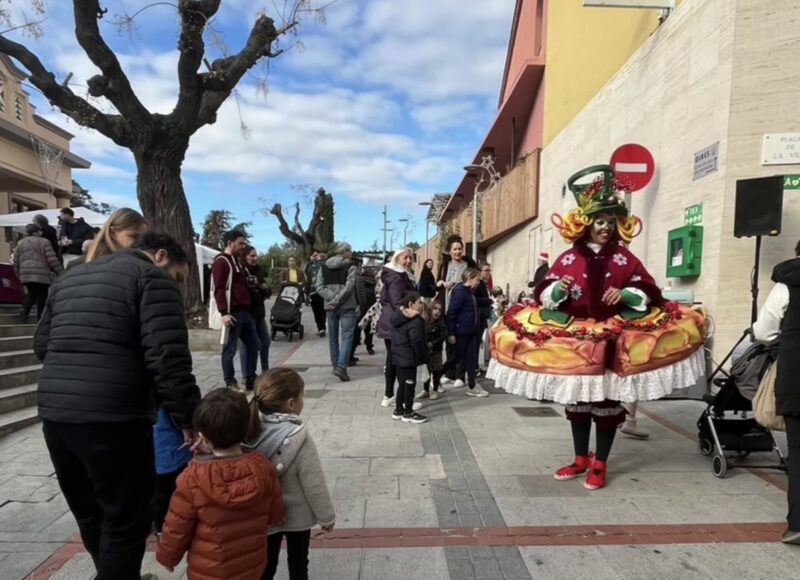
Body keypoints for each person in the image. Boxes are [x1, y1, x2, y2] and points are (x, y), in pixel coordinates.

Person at [487, 165, 705, 490]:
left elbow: (648, 287)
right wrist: (557, 291)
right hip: (577, 340)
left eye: (610, 221)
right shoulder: (568, 257)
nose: (605, 227)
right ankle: (580, 459)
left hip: (615, 339)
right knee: (578, 402)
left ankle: (600, 462)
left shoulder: (625, 258)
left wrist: (628, 294)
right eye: (600, 221)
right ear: (586, 223)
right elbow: (545, 292)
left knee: (606, 403)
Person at [35, 232, 201, 579]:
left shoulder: (71, 277)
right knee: (126, 520)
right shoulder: (152, 279)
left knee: (91, 515)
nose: (178, 285)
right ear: (160, 256)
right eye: (178, 276)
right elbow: (168, 360)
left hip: (56, 415)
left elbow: (42, 345)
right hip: (115, 419)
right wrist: (190, 419)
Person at [156, 389, 286, 578]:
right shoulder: (263, 467)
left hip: (209, 571)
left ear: (203, 437)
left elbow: (178, 525)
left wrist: (167, 558)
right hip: (251, 566)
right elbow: (276, 512)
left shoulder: (192, 478)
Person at [245, 368, 336, 580]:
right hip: (298, 517)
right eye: (302, 396)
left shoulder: (249, 432)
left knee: (266, 566)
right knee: (299, 564)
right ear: (292, 404)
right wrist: (326, 517)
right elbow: (314, 483)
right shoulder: (300, 438)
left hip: (265, 515)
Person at [753, 240, 800, 544]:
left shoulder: (786, 285)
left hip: (796, 375)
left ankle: (798, 525)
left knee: (798, 451)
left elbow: (764, 332)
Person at [212, 229, 259, 390]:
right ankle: (230, 381)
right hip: (233, 312)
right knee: (229, 350)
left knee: (254, 345)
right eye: (240, 243)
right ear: (230, 242)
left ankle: (250, 377)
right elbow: (218, 288)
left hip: (245, 311)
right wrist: (224, 313)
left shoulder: (237, 262)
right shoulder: (221, 261)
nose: (242, 246)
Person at [377, 248, 418, 407]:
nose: (408, 261)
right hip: (396, 323)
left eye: (411, 258)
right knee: (400, 361)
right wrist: (411, 314)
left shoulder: (400, 274)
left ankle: (390, 396)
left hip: (391, 322)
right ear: (397, 259)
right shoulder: (396, 276)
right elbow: (397, 302)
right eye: (405, 258)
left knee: (392, 360)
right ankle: (402, 401)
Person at [437, 235, 478, 388]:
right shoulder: (445, 265)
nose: (457, 251)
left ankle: (460, 375)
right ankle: (450, 374)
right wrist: (441, 283)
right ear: (449, 251)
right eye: (454, 249)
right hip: (447, 307)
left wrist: (457, 284)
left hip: (463, 309)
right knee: (450, 342)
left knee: (461, 345)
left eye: (460, 248)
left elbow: (475, 283)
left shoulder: (468, 264)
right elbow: (437, 283)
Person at [315, 243, 358, 382]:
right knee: (347, 337)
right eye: (350, 251)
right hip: (347, 306)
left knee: (333, 337)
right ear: (345, 251)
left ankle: (335, 365)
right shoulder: (350, 266)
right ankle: (341, 367)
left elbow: (319, 287)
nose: (351, 253)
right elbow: (349, 287)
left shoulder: (323, 267)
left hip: (330, 307)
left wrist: (332, 299)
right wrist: (338, 299)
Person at [445, 268, 490, 398]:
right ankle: (436, 375)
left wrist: (489, 301)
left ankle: (472, 386)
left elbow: (472, 307)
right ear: (470, 279)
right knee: (456, 358)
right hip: (462, 332)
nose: (479, 282)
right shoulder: (460, 292)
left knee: (471, 359)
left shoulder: (470, 292)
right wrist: (451, 333)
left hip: (471, 332)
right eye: (477, 280)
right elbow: (452, 313)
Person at [151, 407, 192, 537]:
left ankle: (161, 531)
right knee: (173, 495)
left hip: (157, 445)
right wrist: (187, 425)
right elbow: (178, 400)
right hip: (170, 448)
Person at [391, 290, 429, 424]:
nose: (421, 305)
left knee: (402, 384)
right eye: (419, 302)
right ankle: (408, 412)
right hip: (409, 357)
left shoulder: (399, 316)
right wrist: (422, 356)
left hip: (399, 355)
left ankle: (398, 409)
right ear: (411, 304)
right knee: (409, 384)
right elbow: (416, 340)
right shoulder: (416, 320)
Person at [12, 223, 63, 322]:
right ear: (37, 232)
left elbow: (16, 260)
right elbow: (52, 259)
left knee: (31, 293)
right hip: (42, 274)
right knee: (42, 295)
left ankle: (24, 312)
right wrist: (60, 271)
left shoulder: (20, 243)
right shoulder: (44, 242)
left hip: (26, 274)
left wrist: (18, 274)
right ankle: (40, 318)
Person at [241, 245, 271, 376]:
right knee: (248, 344)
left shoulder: (258, 270)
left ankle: (266, 371)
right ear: (245, 256)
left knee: (265, 342)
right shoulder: (242, 271)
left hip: (259, 312)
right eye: (252, 256)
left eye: (256, 255)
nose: (255, 258)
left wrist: (260, 288)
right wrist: (259, 289)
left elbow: (266, 290)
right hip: (248, 312)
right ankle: (246, 374)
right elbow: (248, 292)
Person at [417, 301, 447, 401]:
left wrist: (433, 343)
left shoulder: (441, 324)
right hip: (426, 350)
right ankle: (425, 390)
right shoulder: (424, 322)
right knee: (426, 371)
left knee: (436, 371)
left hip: (436, 350)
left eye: (439, 310)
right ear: (430, 310)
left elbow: (442, 336)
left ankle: (435, 390)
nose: (437, 311)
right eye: (435, 309)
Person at [352, 259, 377, 360]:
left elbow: (359, 293)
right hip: (371, 306)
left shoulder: (359, 280)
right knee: (369, 328)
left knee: (357, 328)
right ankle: (369, 347)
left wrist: (360, 304)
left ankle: (354, 346)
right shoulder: (374, 282)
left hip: (362, 307)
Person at [476, 263, 494, 372]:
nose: (488, 273)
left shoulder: (485, 284)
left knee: (478, 342)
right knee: (476, 342)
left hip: (484, 316)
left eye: (489, 271)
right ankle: (474, 368)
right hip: (479, 316)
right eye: (486, 270)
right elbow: (475, 299)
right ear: (480, 272)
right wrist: (490, 301)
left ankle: (476, 366)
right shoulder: (478, 284)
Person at [305, 252, 327, 337]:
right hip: (312, 292)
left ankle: (322, 328)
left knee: (321, 311)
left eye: (316, 255)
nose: (315, 257)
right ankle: (320, 328)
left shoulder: (323, 265)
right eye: (313, 256)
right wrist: (307, 294)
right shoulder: (310, 267)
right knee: (316, 312)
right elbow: (308, 281)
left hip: (321, 292)